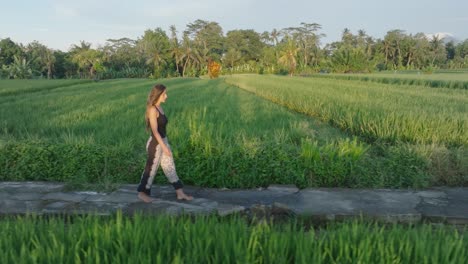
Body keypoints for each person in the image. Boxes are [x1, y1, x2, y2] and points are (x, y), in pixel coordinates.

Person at [137, 84, 193, 203]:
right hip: (155, 145)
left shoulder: (160, 108)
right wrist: (164, 147)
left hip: (163, 141)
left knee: (170, 167)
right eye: (164, 94)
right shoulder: (152, 109)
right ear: (158, 95)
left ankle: (180, 193)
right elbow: (155, 131)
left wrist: (165, 144)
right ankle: (142, 193)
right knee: (151, 169)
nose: (166, 96)